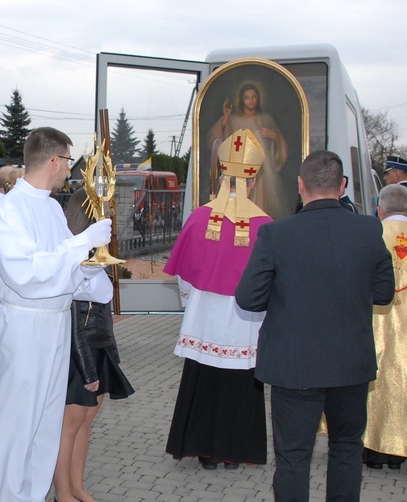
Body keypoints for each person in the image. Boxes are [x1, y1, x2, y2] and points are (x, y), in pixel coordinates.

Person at [235, 150, 395, 501]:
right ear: (342, 186)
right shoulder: (369, 229)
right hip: (351, 365)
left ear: (300, 185)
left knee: (293, 457)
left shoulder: (277, 234)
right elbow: (384, 293)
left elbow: (247, 298)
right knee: (346, 449)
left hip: (295, 367)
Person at [0, 127, 114, 502]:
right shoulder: (7, 211)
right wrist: (84, 242)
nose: (70, 169)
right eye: (67, 161)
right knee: (15, 426)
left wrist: (91, 266)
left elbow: (62, 266)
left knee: (45, 425)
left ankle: (30, 495)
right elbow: (26, 273)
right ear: (53, 161)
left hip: (55, 325)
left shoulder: (49, 206)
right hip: (21, 328)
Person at [164, 129, 271, 470]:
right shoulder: (266, 225)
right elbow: (269, 282)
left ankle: (204, 451)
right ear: (252, 181)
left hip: (204, 316)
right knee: (240, 386)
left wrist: (192, 303)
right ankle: (234, 453)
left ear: (224, 176)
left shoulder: (198, 217)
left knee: (204, 380)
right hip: (245, 321)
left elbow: (184, 275)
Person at [53, 188, 135, 502]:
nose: (111, 221)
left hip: (101, 343)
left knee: (86, 421)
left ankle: (77, 487)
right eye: (105, 215)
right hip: (78, 345)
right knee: (70, 424)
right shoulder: (67, 252)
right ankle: (63, 492)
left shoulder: (98, 252)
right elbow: (71, 301)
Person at [362, 183, 407, 470]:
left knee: (377, 379)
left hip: (376, 322)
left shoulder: (372, 234)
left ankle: (374, 449)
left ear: (380, 209)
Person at [208, 83, 290, 219]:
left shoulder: (266, 119)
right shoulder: (234, 119)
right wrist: (225, 119)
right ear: (242, 100)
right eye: (246, 98)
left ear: (258, 98)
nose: (250, 101)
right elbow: (218, 142)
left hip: (263, 174)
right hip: (239, 172)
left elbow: (279, 144)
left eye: (253, 97)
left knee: (261, 207)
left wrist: (273, 135)